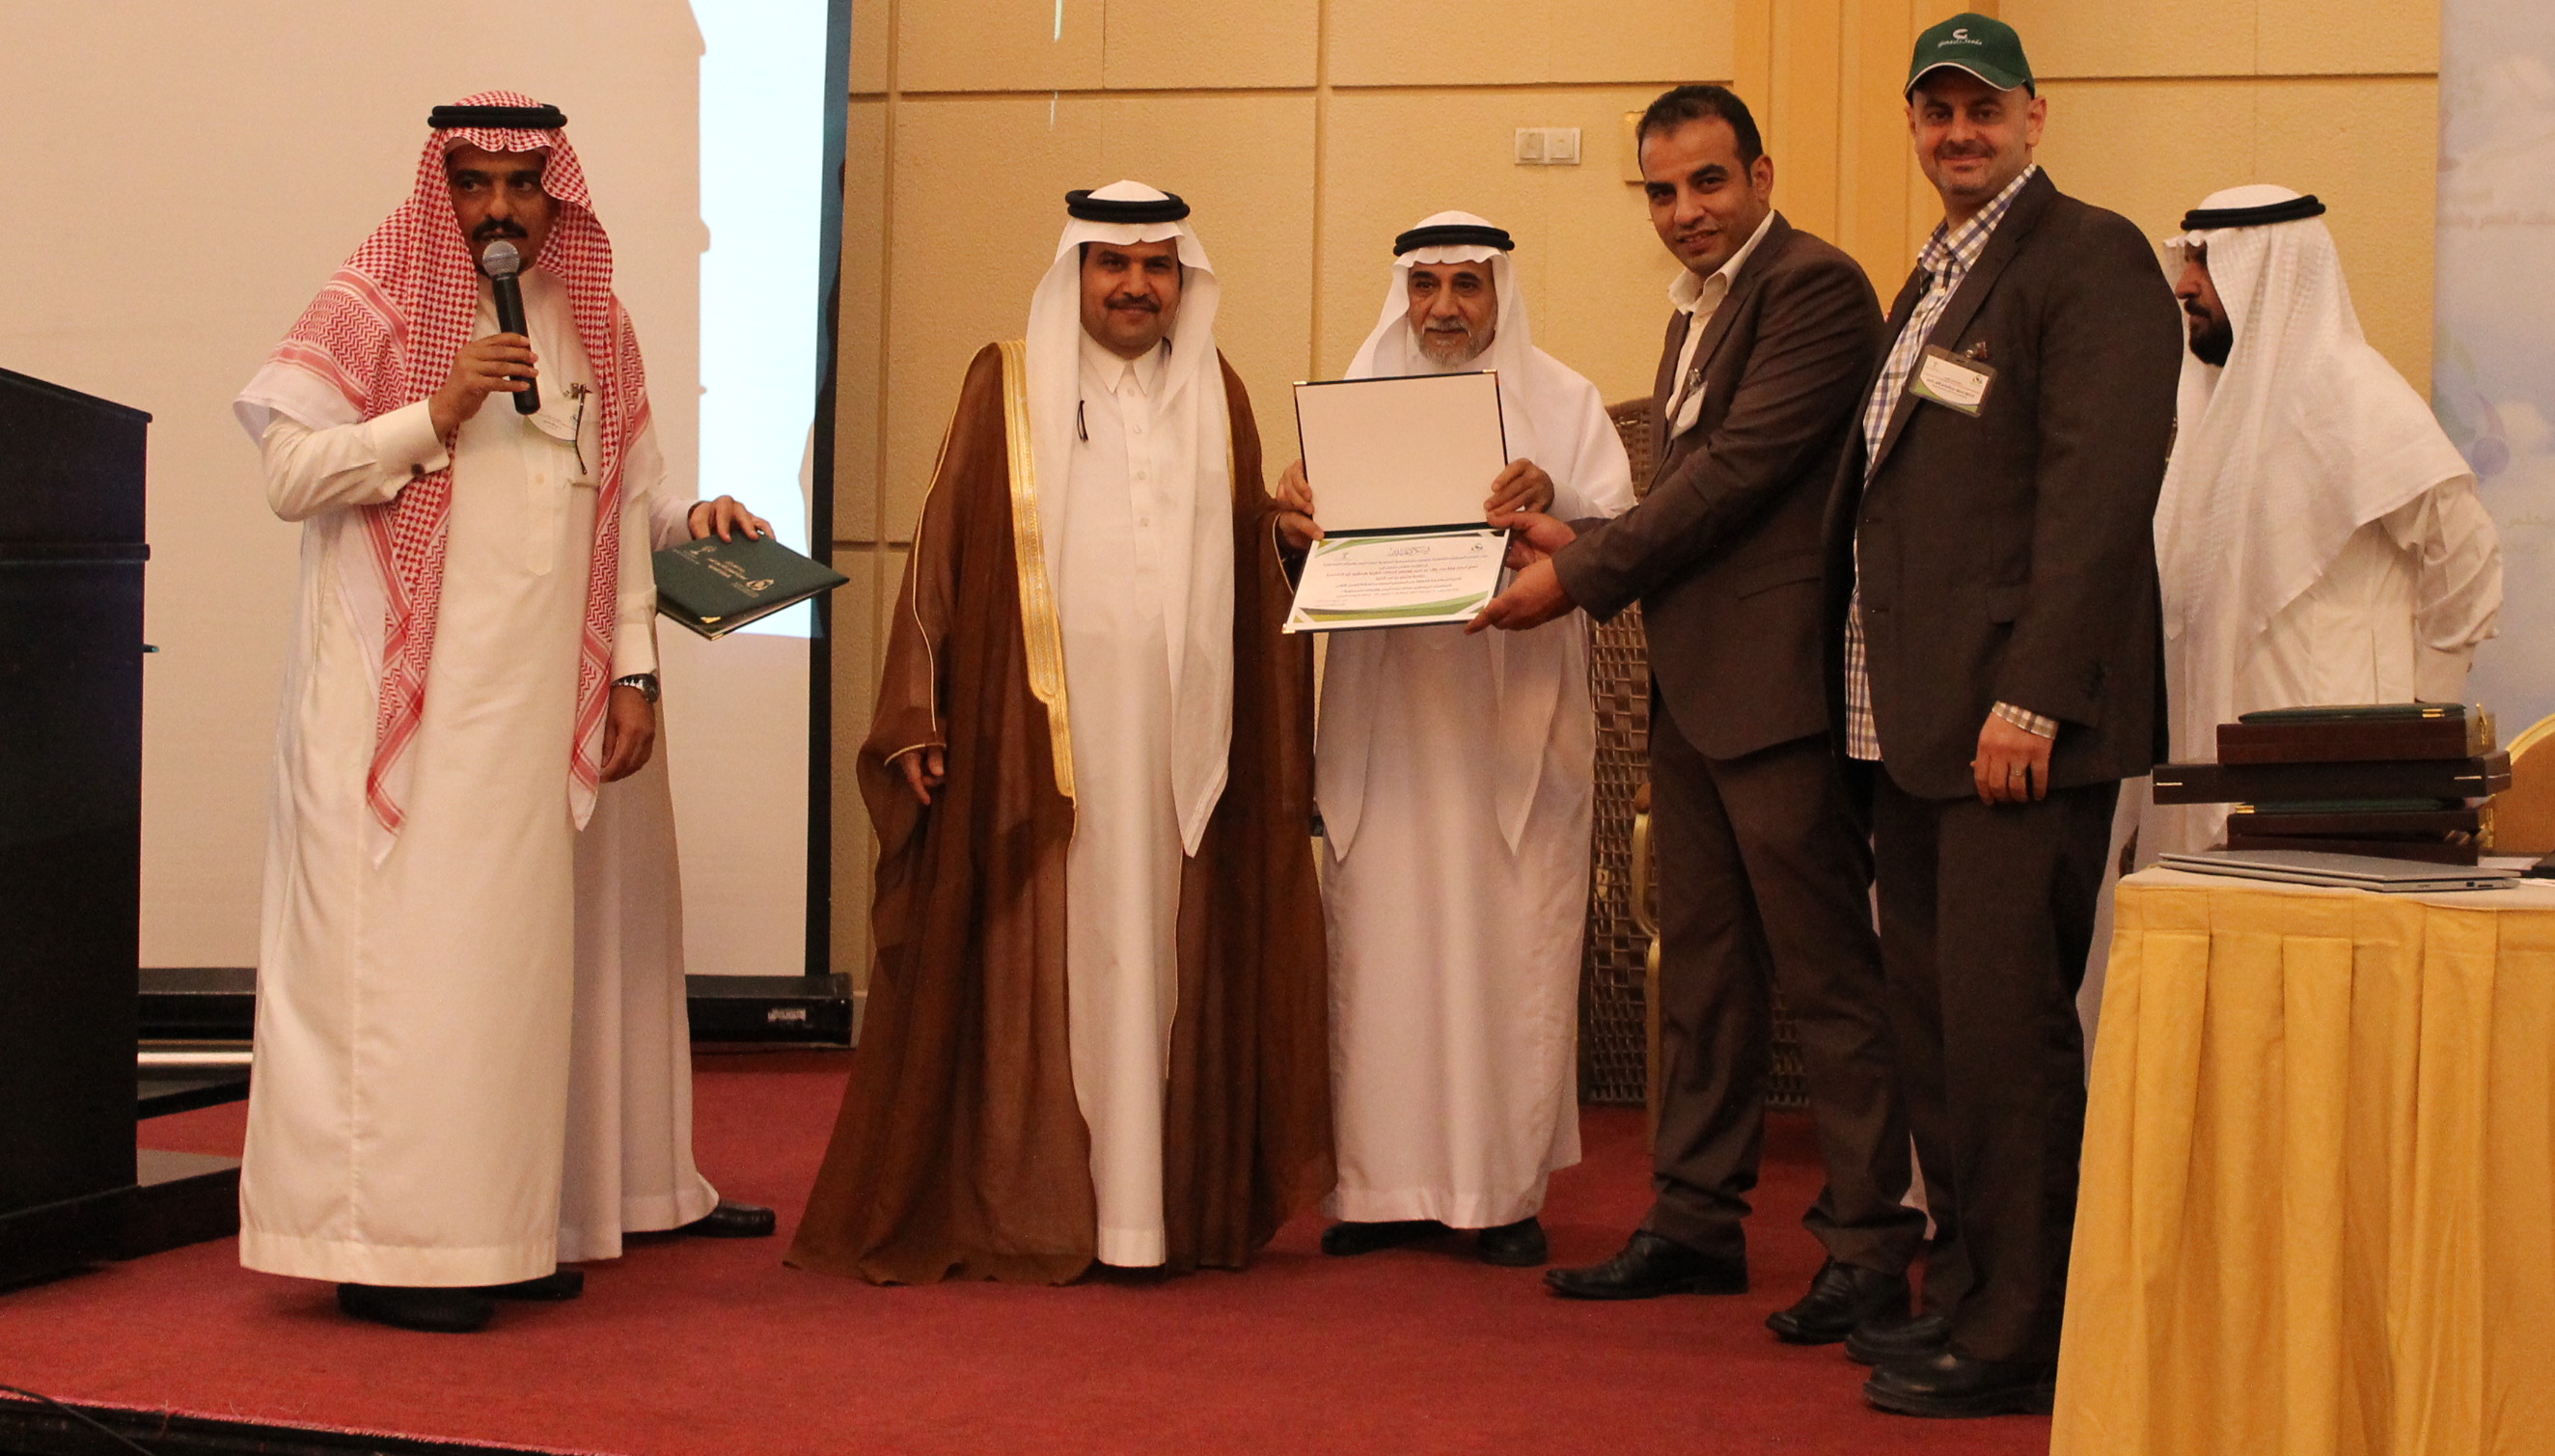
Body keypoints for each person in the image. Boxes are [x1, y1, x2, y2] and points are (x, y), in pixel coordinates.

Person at [788, 183, 1331, 1283]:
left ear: (1182, 279)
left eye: (1157, 266)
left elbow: (1243, 554)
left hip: (1179, 741)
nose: (1135, 285)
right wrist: (915, 709)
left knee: (1163, 955)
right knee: (1047, 951)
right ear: (1074, 272)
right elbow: (941, 548)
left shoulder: (1218, 389)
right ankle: (1038, 1209)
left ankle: (1149, 1215)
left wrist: (1283, 536)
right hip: (1035, 737)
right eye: (1111, 264)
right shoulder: (1004, 381)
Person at [1477, 87, 1921, 1345]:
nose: (1684, 212)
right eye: (1663, 191)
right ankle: (1693, 1220)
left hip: (1782, 692)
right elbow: (1691, 494)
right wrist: (1578, 533)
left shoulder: (1815, 287)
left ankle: (1872, 1244)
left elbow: (1737, 476)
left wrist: (1581, 575)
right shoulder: (1696, 310)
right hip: (1701, 685)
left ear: (1761, 176)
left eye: (1708, 182)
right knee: (1707, 974)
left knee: (1828, 979)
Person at [235, 93, 672, 1332]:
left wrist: (634, 673)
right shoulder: (373, 302)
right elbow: (289, 474)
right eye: (473, 183)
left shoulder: (595, 320)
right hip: (392, 717)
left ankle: (492, 1231)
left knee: (503, 984)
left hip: (523, 726)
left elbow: (623, 512)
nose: (498, 208)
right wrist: (433, 411)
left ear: (555, 195)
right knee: (399, 981)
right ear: (443, 191)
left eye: (521, 184)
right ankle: (383, 1251)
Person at [1823, 16, 2179, 1417]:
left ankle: (2023, 1332)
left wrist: (2030, 693)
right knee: (1941, 1034)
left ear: (2038, 114)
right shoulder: (1936, 272)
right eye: (1936, 110)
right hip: (1915, 732)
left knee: (2006, 1039)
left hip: (2014, 733)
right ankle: (1970, 1294)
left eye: (1983, 108)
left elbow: (2098, 494)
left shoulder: (2088, 257)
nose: (1958, 133)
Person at [1278, 214, 1635, 1268]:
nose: (1443, 306)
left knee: (1508, 940)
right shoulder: (1355, 399)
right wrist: (1292, 513)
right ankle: (1375, 1188)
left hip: (1509, 716)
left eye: (1466, 285)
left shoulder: (1565, 400)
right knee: (1380, 941)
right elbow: (1306, 547)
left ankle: (1498, 1192)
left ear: (1498, 292)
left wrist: (1553, 497)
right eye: (1426, 284)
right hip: (1388, 718)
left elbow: (1620, 542)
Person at [2127, 185, 2502, 866]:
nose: (2184, 285)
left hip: (2338, 750)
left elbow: (2467, 552)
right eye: (2189, 260)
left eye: (2208, 262)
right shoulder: (2205, 403)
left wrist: (2426, 712)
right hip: (2217, 749)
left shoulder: (2352, 392)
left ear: (2269, 272)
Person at [558, 490, 783, 1262]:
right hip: (516, 660)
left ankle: (649, 1185)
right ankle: (546, 1201)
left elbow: (620, 502)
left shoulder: (610, 398)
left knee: (632, 924)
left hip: (615, 668)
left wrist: (688, 521)